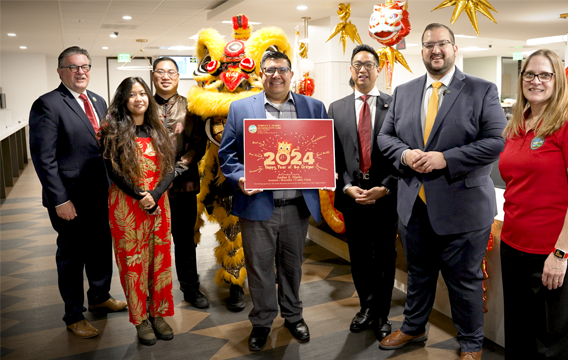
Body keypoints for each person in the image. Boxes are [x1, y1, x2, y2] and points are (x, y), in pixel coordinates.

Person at [377, 23, 507, 360]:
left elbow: (495, 142)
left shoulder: (482, 90)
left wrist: (444, 159)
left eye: (443, 44)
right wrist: (405, 154)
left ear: (454, 48)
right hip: (414, 206)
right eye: (429, 45)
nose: (436, 50)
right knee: (419, 274)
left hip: (463, 208)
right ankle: (413, 327)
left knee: (464, 281)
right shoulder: (404, 91)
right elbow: (385, 137)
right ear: (421, 51)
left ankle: (471, 344)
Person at [218, 51, 325, 352]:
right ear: (260, 75)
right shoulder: (241, 109)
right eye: (269, 70)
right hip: (257, 206)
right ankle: (262, 322)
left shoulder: (314, 107)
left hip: (296, 206)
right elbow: (226, 155)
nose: (276, 75)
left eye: (282, 69)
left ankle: (293, 316)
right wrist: (240, 177)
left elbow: (322, 151)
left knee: (292, 266)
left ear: (292, 74)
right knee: (260, 268)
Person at [499, 49, 568, 360]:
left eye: (545, 75)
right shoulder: (519, 123)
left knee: (553, 342)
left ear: (558, 80)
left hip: (556, 250)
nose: (536, 81)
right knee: (520, 333)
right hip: (514, 244)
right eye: (529, 74)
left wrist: (559, 254)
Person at [29, 46, 127, 339]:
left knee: (99, 249)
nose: (81, 72)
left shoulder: (97, 101)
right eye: (73, 67)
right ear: (60, 71)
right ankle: (73, 314)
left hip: (101, 193)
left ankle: (99, 297)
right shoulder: (47, 104)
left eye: (85, 66)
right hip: (69, 199)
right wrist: (60, 200)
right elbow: (44, 159)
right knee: (72, 257)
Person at [100, 77, 176, 346]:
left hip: (158, 204)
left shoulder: (159, 129)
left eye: (143, 93)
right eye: (132, 95)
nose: (139, 98)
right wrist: (139, 194)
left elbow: (170, 169)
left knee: (160, 261)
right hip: (126, 205)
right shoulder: (112, 130)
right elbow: (113, 170)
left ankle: (159, 314)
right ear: (123, 99)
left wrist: (153, 196)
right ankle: (140, 318)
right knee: (133, 263)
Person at [329, 44, 397, 341]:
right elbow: (334, 156)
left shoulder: (395, 105)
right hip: (352, 195)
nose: (362, 69)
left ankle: (382, 314)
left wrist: (385, 187)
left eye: (369, 64)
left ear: (378, 69)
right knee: (358, 256)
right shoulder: (337, 108)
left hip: (385, 196)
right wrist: (346, 185)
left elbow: (402, 154)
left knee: (384, 257)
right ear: (351, 69)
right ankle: (366, 307)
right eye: (357, 64)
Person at [152, 57, 209, 309]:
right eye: (160, 72)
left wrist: (175, 171)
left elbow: (199, 144)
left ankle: (190, 288)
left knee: (184, 240)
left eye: (171, 72)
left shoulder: (192, 108)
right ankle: (152, 294)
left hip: (183, 185)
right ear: (153, 75)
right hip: (149, 190)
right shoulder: (142, 106)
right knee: (152, 243)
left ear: (178, 76)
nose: (166, 76)